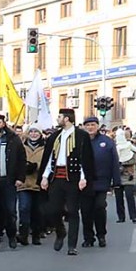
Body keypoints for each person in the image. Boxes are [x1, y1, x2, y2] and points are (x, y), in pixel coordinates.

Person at [40, 108, 96, 255]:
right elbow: (49, 158)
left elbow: (85, 159)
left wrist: (84, 178)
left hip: (73, 178)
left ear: (67, 119)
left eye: (60, 116)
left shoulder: (81, 135)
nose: (57, 119)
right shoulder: (55, 136)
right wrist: (45, 176)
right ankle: (60, 231)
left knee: (72, 211)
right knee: (52, 210)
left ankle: (72, 245)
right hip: (56, 177)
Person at [0, 114, 27, 252]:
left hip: (8, 181)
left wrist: (20, 178)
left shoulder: (13, 140)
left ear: (3, 124)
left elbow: (21, 159)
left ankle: (12, 236)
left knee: (10, 211)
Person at [81, 116, 120, 248]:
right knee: (86, 211)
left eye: (92, 125)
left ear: (97, 126)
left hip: (101, 181)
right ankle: (88, 237)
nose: (90, 127)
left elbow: (114, 161)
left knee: (99, 207)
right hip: (84, 182)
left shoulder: (107, 142)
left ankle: (101, 235)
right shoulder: (80, 141)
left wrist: (116, 181)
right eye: (87, 125)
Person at [19, 125, 46, 245]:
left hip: (38, 184)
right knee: (24, 208)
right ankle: (23, 234)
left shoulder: (45, 147)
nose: (34, 134)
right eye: (32, 131)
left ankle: (36, 234)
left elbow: (48, 162)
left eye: (36, 132)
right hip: (24, 183)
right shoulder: (21, 147)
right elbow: (16, 160)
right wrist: (24, 166)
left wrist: (36, 165)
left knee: (37, 211)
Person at [113, 127, 136, 223]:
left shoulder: (123, 146)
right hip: (119, 175)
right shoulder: (118, 146)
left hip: (128, 175)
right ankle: (122, 217)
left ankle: (133, 216)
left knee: (129, 197)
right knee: (119, 198)